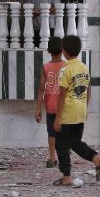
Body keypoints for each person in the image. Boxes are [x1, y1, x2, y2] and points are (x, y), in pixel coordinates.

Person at [52, 35, 100, 186]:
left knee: (61, 144)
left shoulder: (65, 69)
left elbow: (62, 95)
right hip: (80, 110)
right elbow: (88, 90)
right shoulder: (84, 67)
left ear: (64, 51)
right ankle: (96, 159)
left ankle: (67, 176)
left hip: (68, 112)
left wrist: (58, 118)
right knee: (75, 142)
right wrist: (85, 108)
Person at [35, 36, 64, 168]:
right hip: (65, 107)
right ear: (63, 50)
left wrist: (38, 108)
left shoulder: (45, 67)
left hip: (50, 106)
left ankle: (52, 159)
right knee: (64, 134)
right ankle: (64, 157)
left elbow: (41, 89)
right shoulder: (67, 66)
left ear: (48, 50)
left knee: (51, 134)